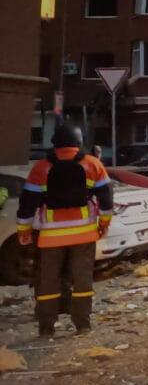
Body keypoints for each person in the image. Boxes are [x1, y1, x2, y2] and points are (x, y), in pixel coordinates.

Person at [17, 124, 113, 337]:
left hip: (50, 238)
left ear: (55, 144)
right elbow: (106, 200)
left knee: (48, 281)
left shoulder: (41, 168)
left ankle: (46, 327)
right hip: (84, 234)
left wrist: (24, 230)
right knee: (82, 280)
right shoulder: (93, 164)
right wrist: (104, 224)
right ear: (79, 142)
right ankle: (82, 324)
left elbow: (27, 203)